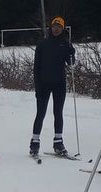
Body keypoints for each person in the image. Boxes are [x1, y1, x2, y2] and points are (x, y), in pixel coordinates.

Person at [31, 16, 75, 157]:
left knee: (58, 112)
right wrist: (37, 86)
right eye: (55, 26)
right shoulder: (43, 44)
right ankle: (35, 142)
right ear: (51, 27)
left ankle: (58, 142)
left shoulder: (64, 44)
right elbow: (36, 67)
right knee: (41, 113)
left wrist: (72, 52)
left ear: (62, 29)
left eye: (59, 27)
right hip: (44, 84)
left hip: (59, 84)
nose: (56, 29)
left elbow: (71, 63)